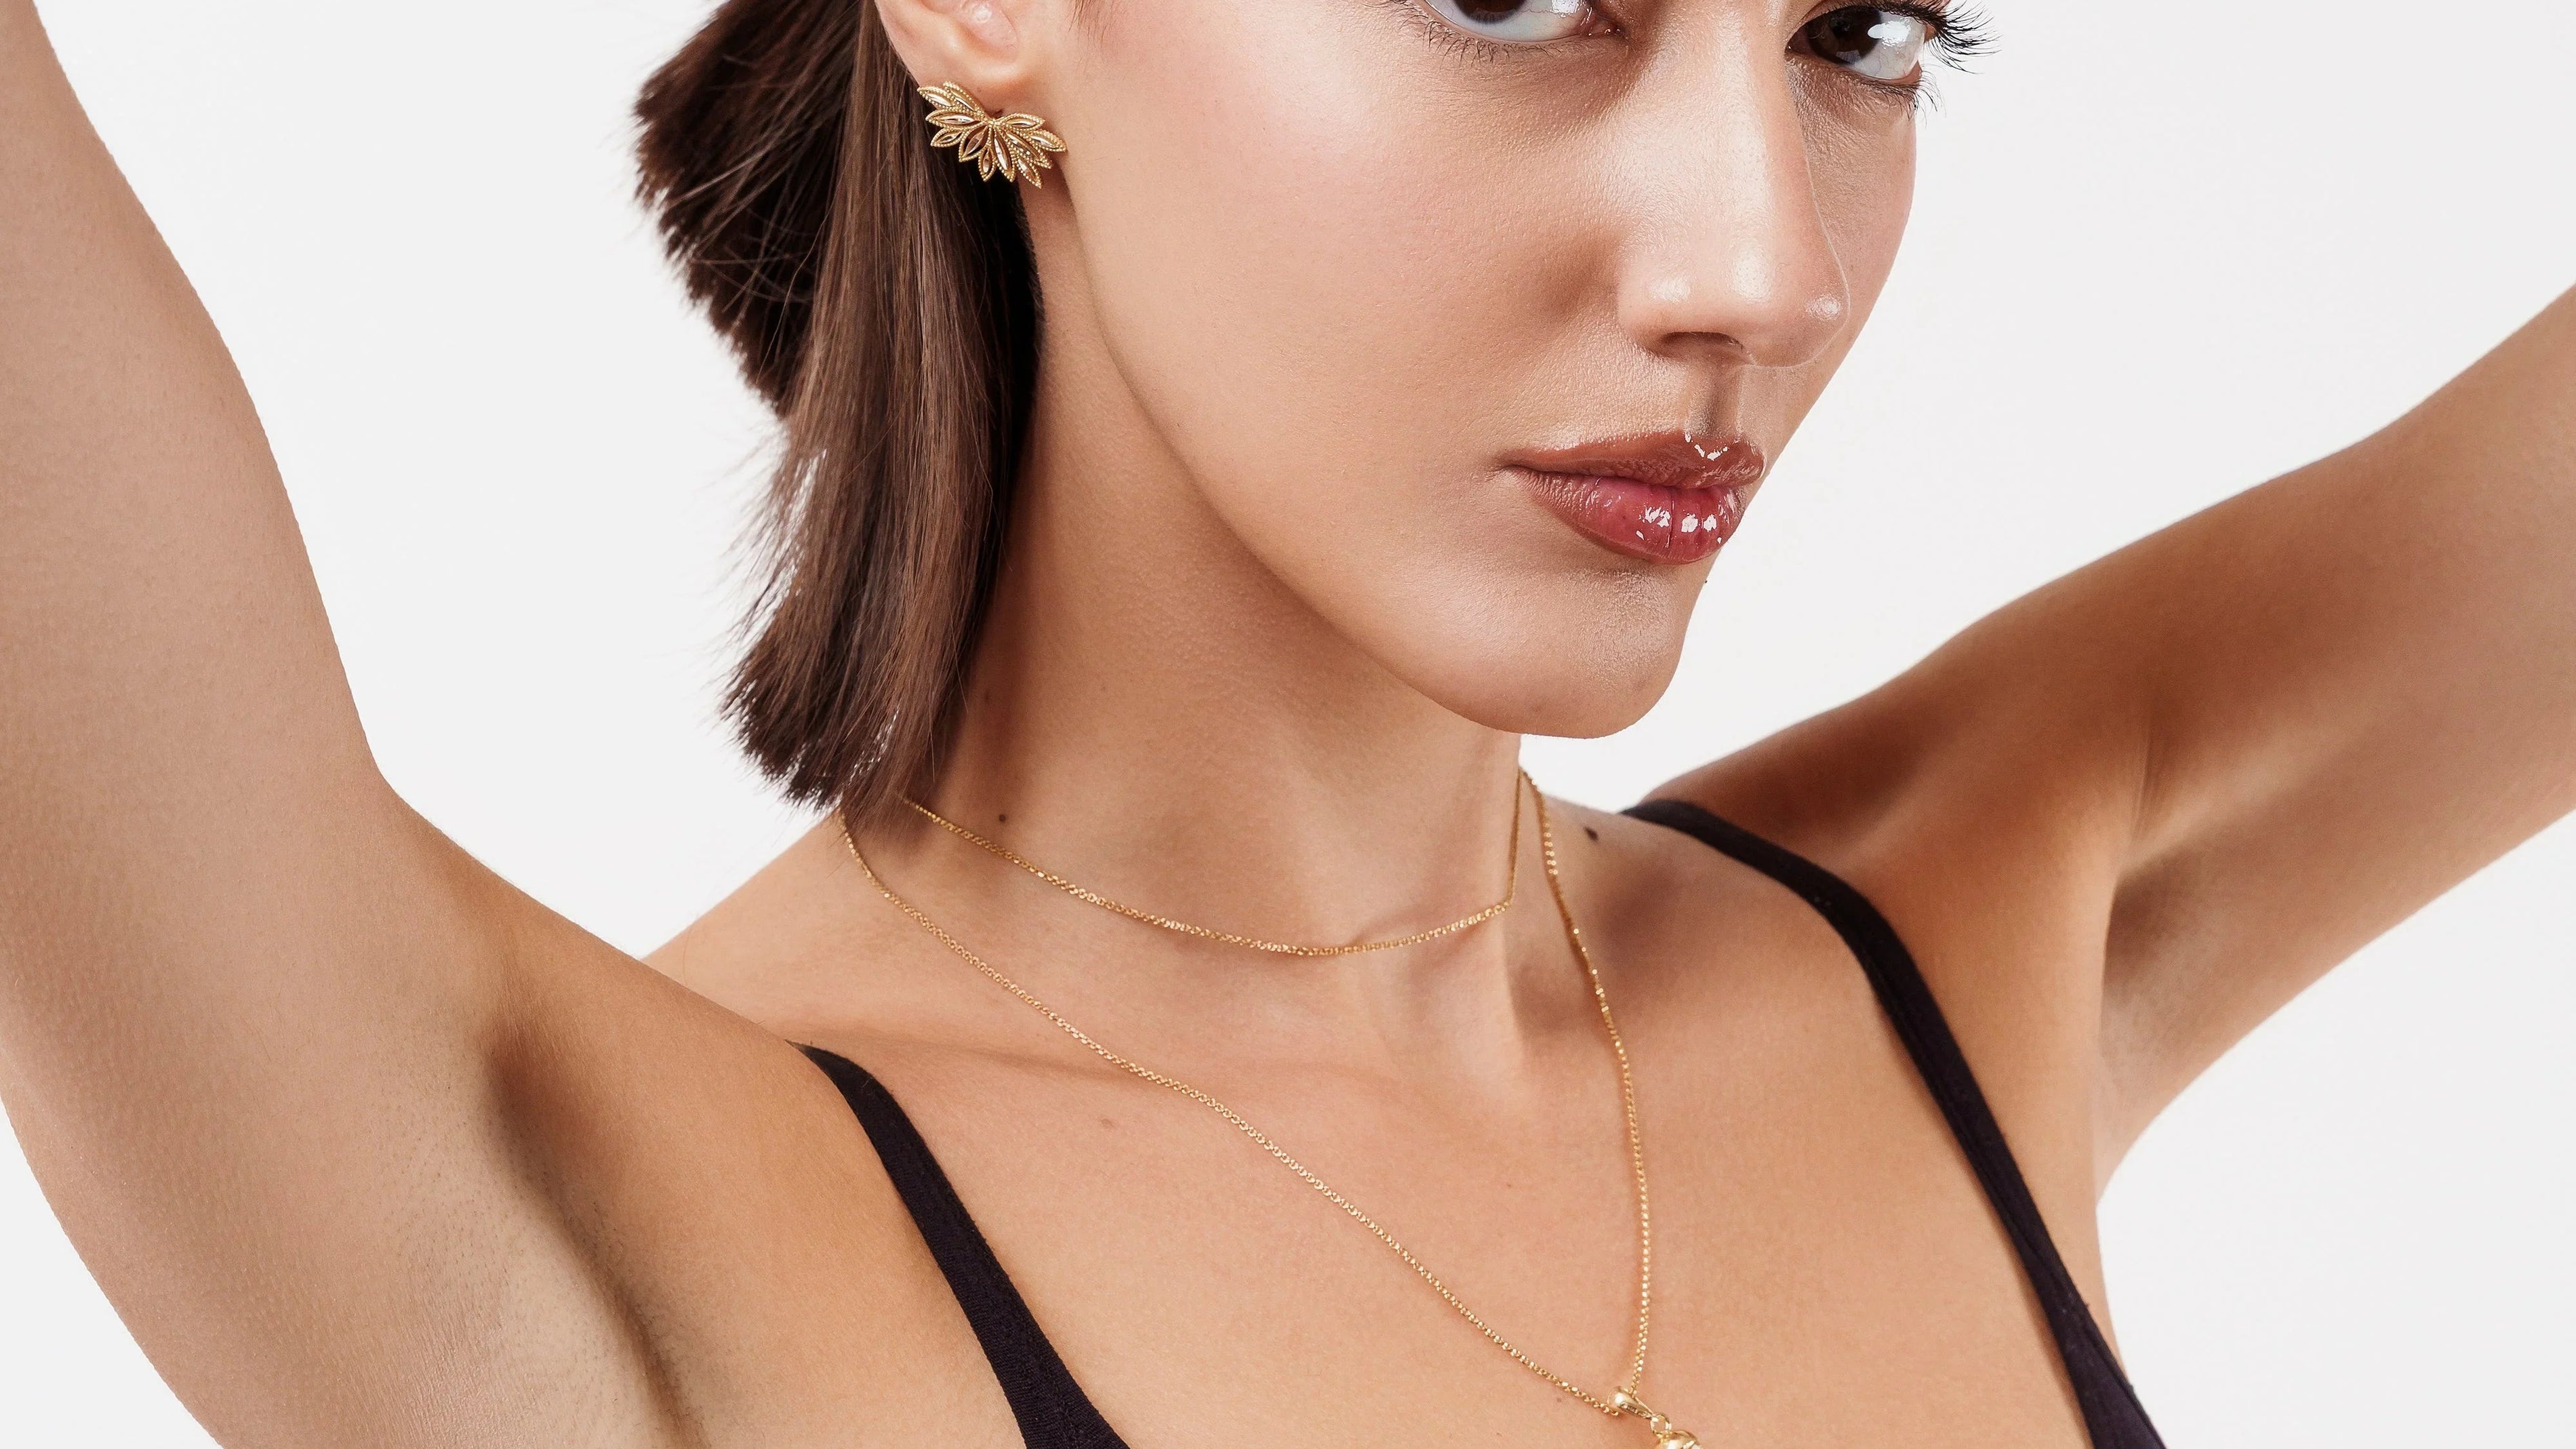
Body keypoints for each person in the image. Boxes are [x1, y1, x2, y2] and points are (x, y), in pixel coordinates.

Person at [1, 0, 2568, 1444]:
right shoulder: (586, 1229)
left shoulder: (1993, 919)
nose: (1758, 263)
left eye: (1861, 35)